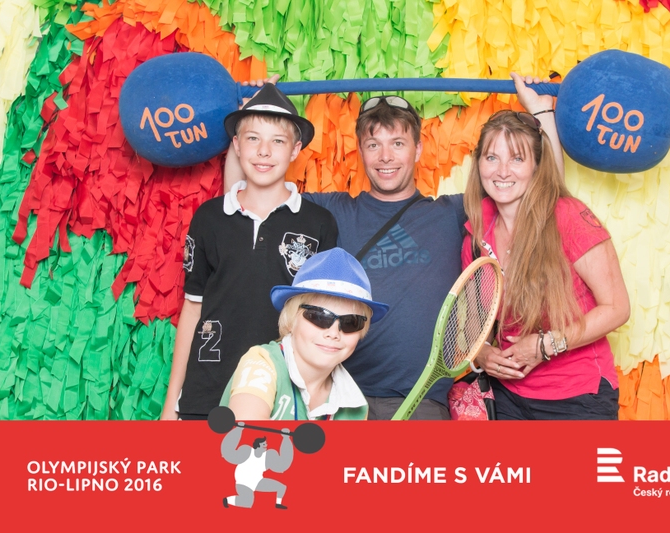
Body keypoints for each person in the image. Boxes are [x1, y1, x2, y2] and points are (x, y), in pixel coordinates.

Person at [226, 75, 558, 420]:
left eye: (398, 143)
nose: (385, 157)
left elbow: (542, 192)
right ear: (360, 152)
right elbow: (242, 199)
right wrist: (251, 116)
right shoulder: (332, 210)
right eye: (373, 145)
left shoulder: (452, 212)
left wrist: (541, 113)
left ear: (418, 150)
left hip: (422, 401)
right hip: (340, 398)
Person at [161, 84, 339, 421]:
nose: (264, 151)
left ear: (295, 150)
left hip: (281, 395)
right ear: (237, 145)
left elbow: (322, 320)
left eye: (278, 141)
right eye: (253, 138)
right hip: (206, 392)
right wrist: (172, 403)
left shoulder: (319, 223)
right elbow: (193, 309)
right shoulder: (210, 218)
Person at [463, 102, 631, 420]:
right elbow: (474, 321)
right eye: (492, 157)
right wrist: (482, 353)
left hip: (577, 396)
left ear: (537, 166)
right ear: (479, 163)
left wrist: (545, 346)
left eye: (517, 158)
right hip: (507, 397)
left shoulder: (569, 216)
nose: (502, 171)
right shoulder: (476, 233)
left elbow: (617, 308)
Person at [221, 247, 389, 420]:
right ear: (291, 320)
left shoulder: (355, 405)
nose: (333, 333)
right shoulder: (262, 363)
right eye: (319, 316)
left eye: (350, 322)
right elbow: (246, 432)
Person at [221, 425, 293, 509]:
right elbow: (229, 452)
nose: (266, 445)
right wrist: (238, 429)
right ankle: (227, 500)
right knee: (247, 503)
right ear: (258, 445)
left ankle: (278, 504)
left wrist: (286, 438)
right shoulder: (247, 452)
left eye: (266, 443)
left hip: (257, 481)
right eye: (264, 444)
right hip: (244, 481)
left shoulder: (267, 457)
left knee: (281, 487)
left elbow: (283, 464)